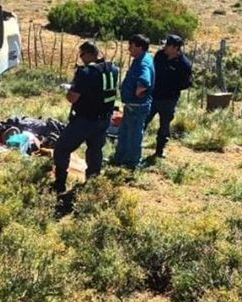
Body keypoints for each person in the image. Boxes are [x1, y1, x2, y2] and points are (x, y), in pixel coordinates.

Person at [52, 41, 119, 195]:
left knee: (62, 148)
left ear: (89, 53)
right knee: (95, 150)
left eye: (81, 54)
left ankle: (60, 184)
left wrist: (70, 90)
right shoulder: (113, 69)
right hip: (104, 119)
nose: (81, 58)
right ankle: (93, 182)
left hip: (86, 120)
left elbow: (72, 98)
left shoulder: (86, 72)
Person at [146, 34, 193, 158]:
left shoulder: (184, 64)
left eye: (167, 45)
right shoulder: (160, 55)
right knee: (143, 121)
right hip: (153, 96)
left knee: (164, 126)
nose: (164, 47)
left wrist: (172, 87)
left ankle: (159, 151)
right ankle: (134, 147)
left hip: (168, 100)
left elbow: (187, 83)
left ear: (175, 48)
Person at [113, 34, 155, 169]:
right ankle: (120, 159)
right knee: (124, 132)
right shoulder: (142, 59)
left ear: (139, 47)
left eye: (131, 46)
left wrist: (137, 93)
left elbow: (144, 82)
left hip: (137, 106)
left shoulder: (143, 63)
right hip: (132, 106)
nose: (129, 49)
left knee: (134, 135)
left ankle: (132, 163)